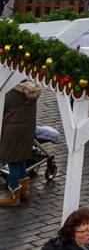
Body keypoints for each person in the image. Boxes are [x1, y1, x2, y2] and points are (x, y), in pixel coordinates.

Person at [0, 79, 41, 208]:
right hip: (27, 130)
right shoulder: (32, 91)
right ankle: (24, 190)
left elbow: (3, 107)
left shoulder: (11, 92)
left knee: (12, 160)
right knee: (20, 159)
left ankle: (13, 196)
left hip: (13, 130)